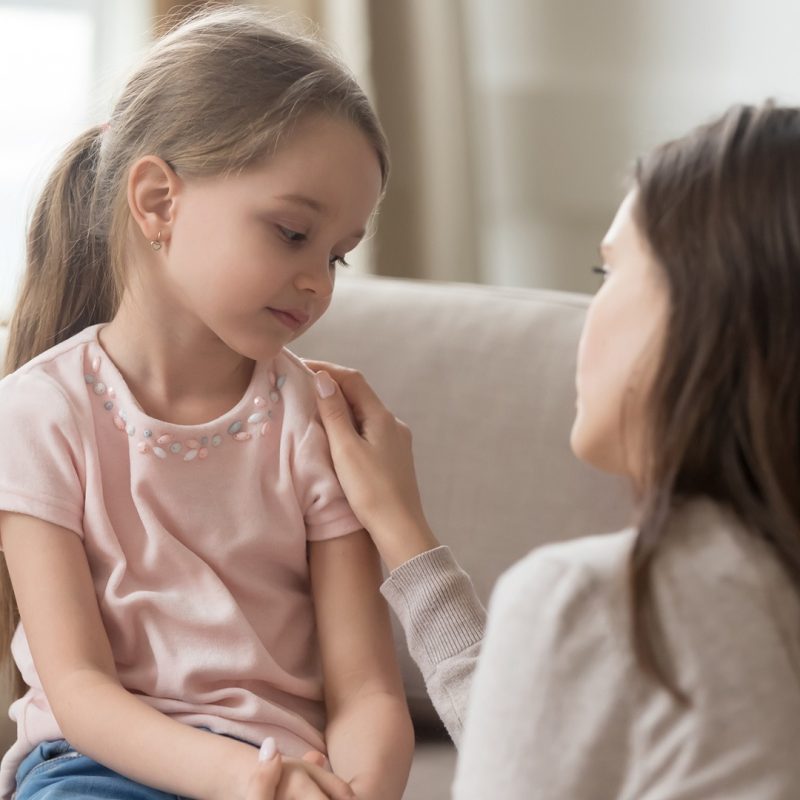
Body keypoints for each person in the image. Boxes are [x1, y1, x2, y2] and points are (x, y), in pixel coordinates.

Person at [307, 102, 800, 798]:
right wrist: (402, 532)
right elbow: (551, 744)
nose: (589, 316)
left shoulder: (596, 601)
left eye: (608, 275)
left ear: (708, 309)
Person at [0, 8, 413, 800]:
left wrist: (351, 791)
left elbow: (366, 692)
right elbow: (82, 692)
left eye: (337, 256)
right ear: (158, 202)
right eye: (292, 233)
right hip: (97, 772)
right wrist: (245, 780)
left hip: (288, 774)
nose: (318, 281)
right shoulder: (38, 416)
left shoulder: (315, 422)